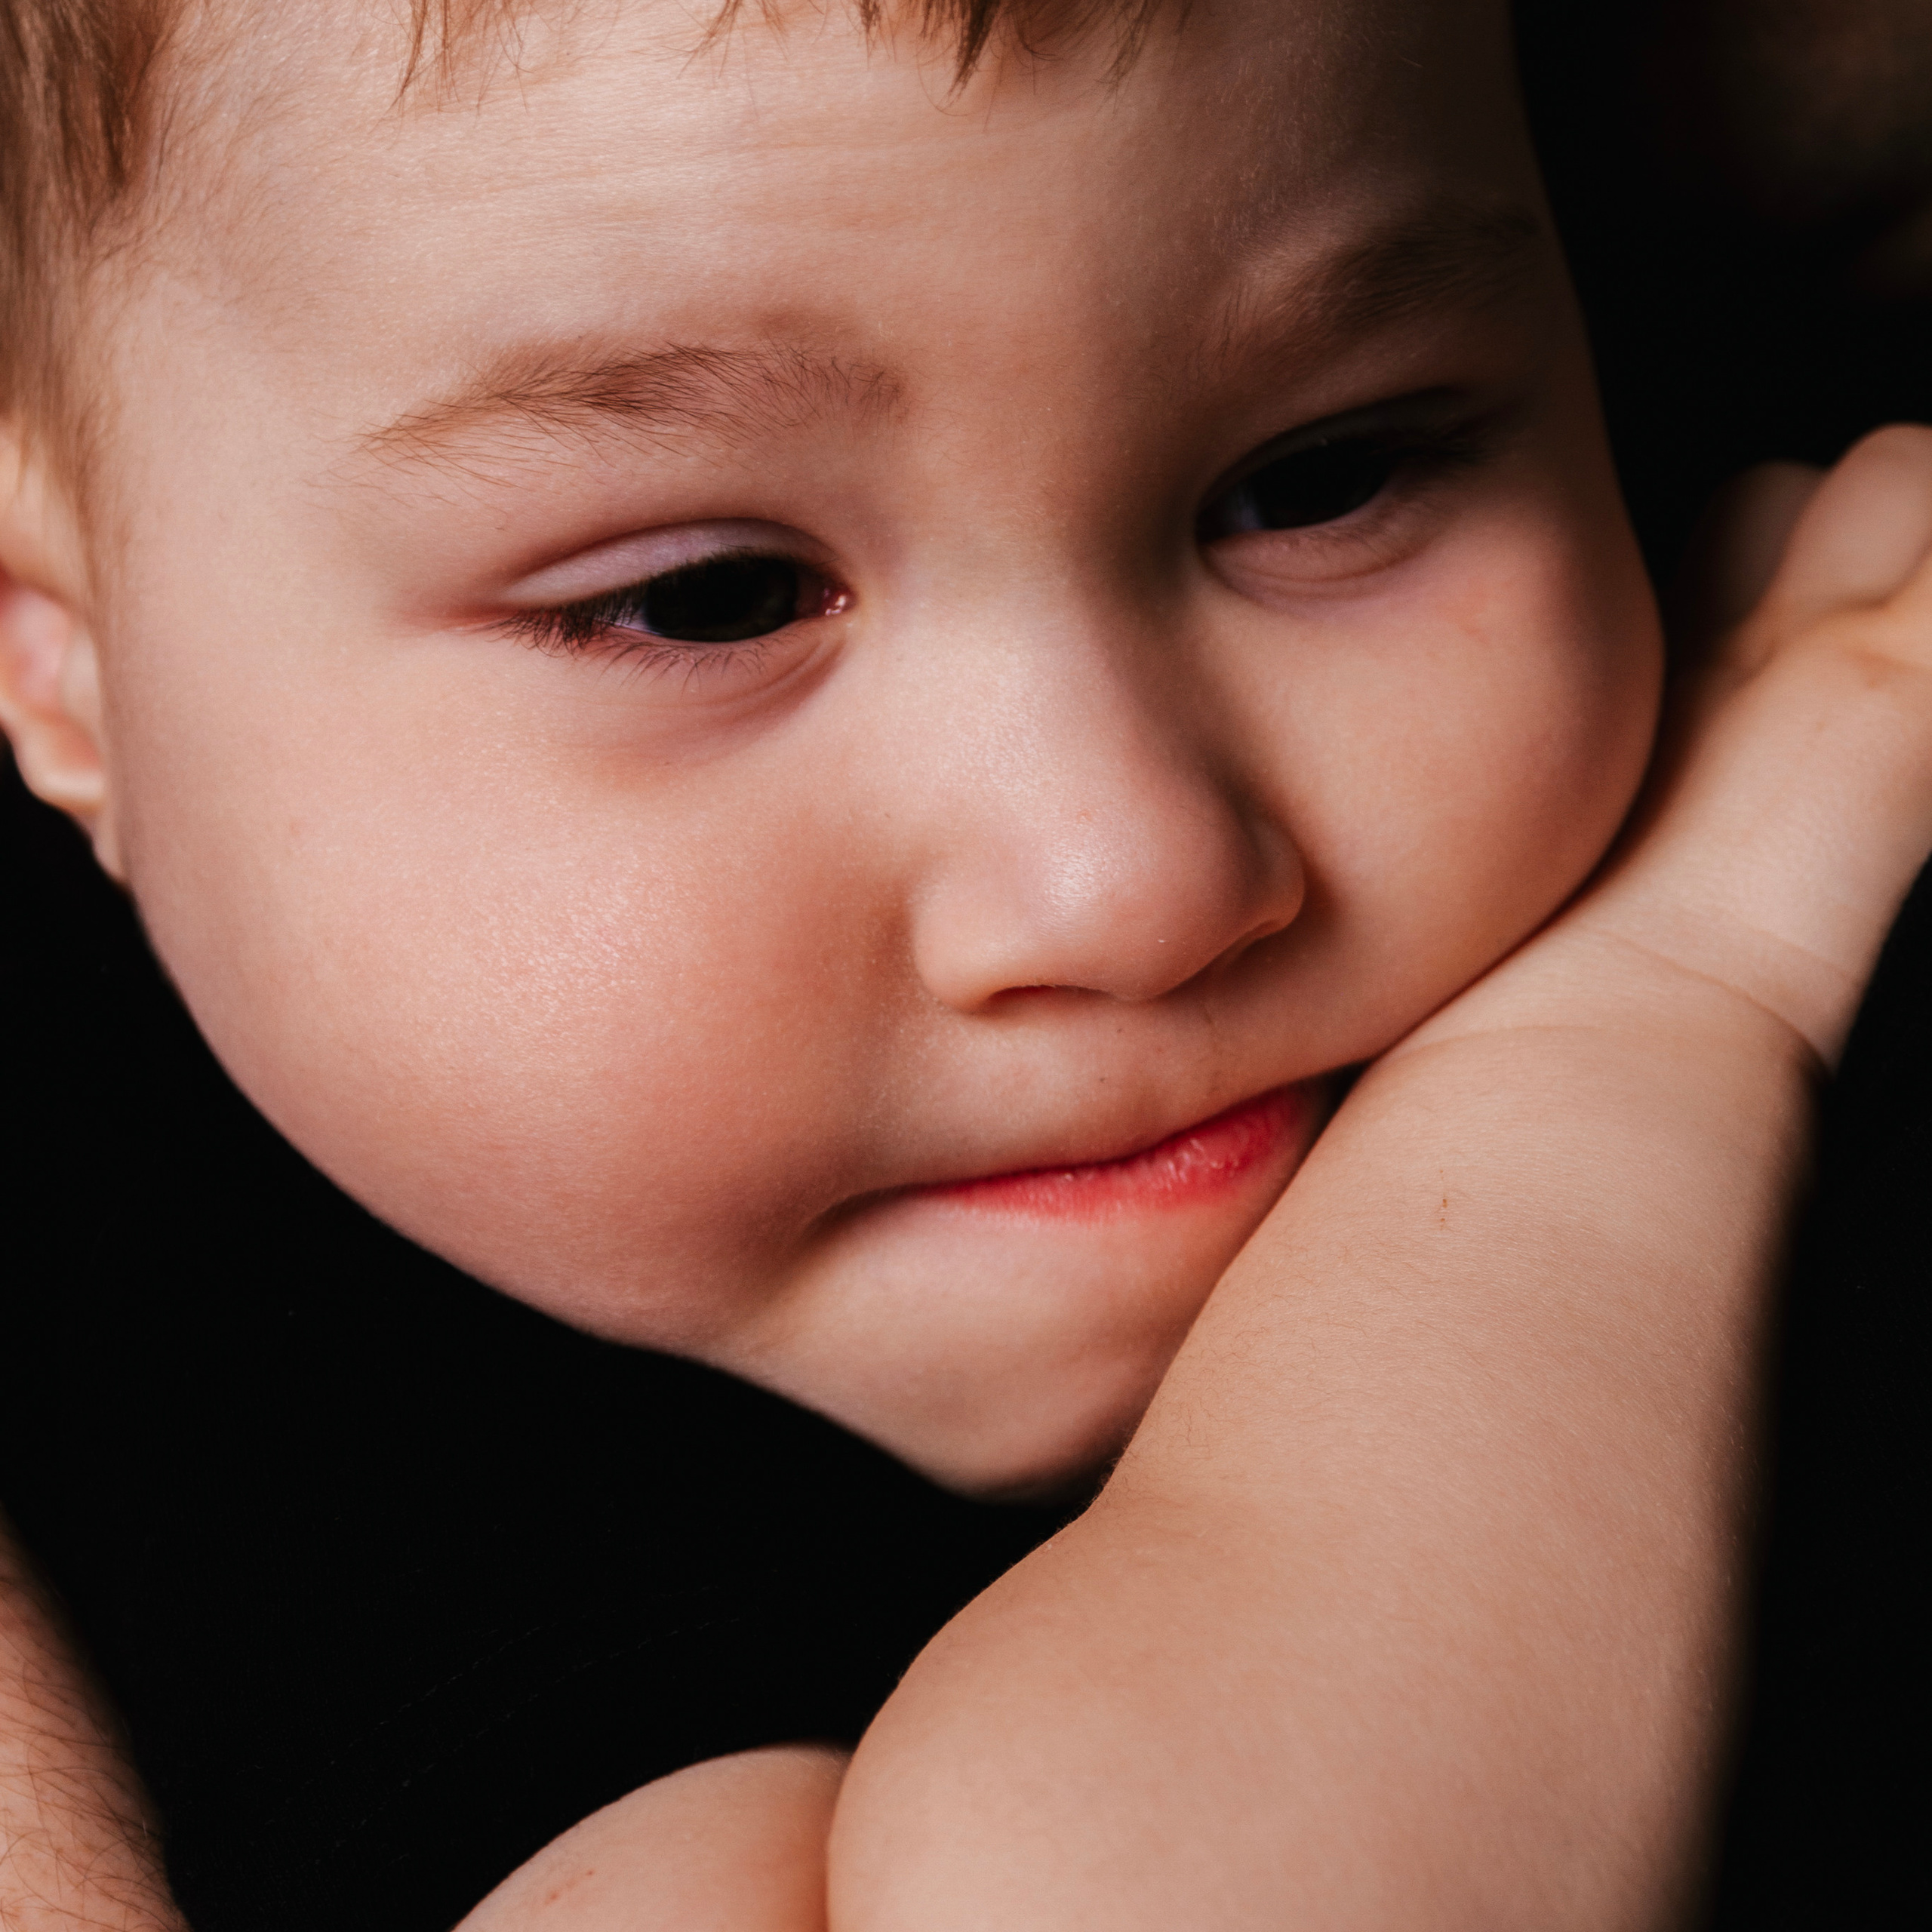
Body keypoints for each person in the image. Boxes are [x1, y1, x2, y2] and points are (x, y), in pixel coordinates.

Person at [0, 2, 1928, 1927]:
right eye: (709, 596)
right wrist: (1649, 1007)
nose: (1129, 882)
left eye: (1324, 475)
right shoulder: (238, 1328)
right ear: (58, 663)